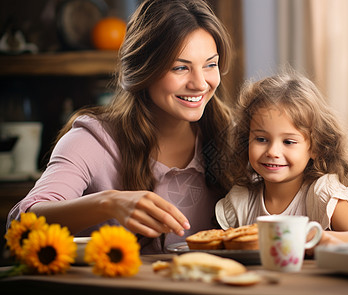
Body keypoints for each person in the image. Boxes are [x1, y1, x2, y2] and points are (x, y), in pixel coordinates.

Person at [7, 0, 235, 253]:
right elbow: (21, 223)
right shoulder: (93, 139)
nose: (200, 83)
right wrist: (108, 202)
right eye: (180, 67)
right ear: (143, 69)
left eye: (210, 64)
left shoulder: (232, 136)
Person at [215, 71, 348, 247]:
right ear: (247, 140)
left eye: (288, 141)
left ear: (315, 148)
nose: (273, 152)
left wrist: (324, 238)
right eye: (261, 139)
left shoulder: (322, 195)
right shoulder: (242, 200)